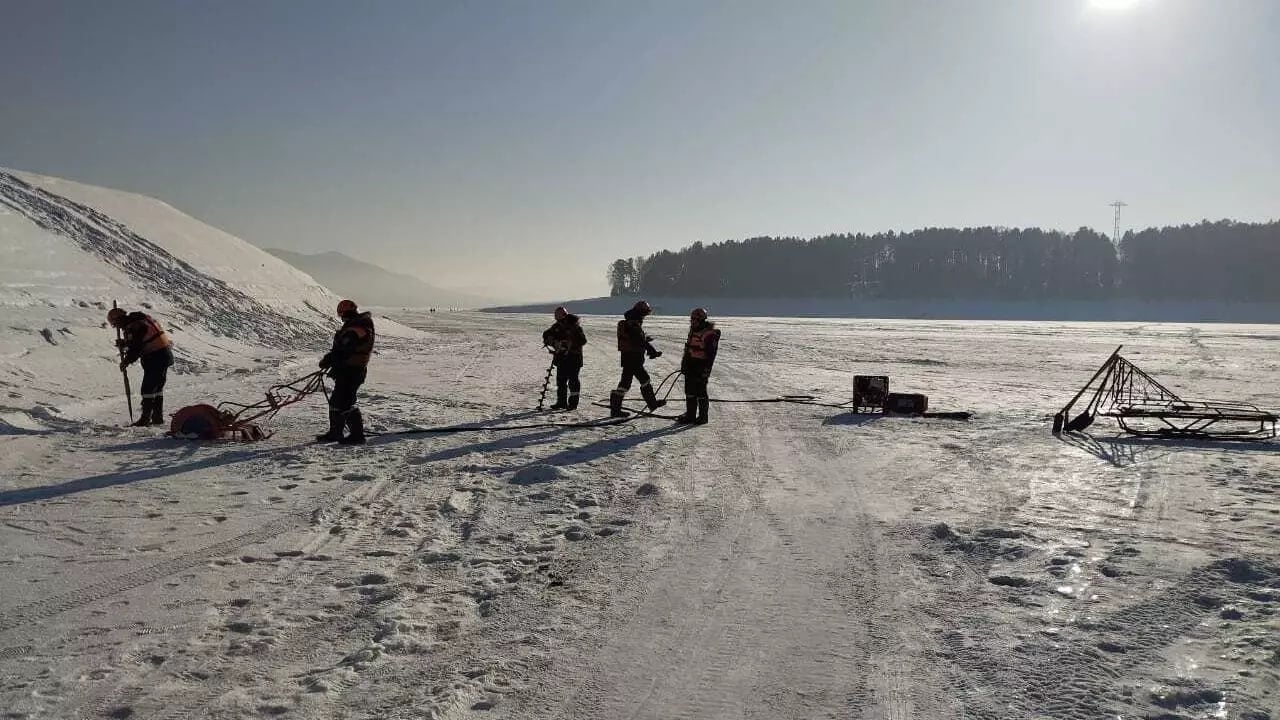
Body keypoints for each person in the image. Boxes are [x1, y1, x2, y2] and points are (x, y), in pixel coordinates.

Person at [316, 299, 374, 445]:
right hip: (349, 370)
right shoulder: (359, 326)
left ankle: (356, 435)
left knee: (344, 402)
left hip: (352, 371)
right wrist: (333, 362)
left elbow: (344, 350)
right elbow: (343, 351)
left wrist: (329, 360)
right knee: (338, 400)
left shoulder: (355, 329)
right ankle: (336, 433)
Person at [109, 307, 175, 427]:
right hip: (163, 355)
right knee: (157, 389)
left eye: (116, 324)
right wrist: (125, 343)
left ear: (119, 320)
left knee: (148, 389)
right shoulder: (140, 320)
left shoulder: (134, 326)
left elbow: (136, 347)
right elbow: (139, 341)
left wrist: (126, 362)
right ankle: (157, 418)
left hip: (155, 357)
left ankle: (145, 419)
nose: (117, 327)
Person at [609, 300, 664, 418]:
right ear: (640, 312)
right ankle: (651, 404)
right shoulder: (633, 323)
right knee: (641, 380)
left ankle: (651, 404)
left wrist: (645, 341)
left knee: (629, 382)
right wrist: (651, 350)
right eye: (645, 313)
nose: (645, 316)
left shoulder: (632, 322)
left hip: (630, 357)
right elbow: (638, 340)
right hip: (632, 358)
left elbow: (636, 339)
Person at [677, 307, 721, 425]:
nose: (692, 322)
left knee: (701, 391)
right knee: (689, 391)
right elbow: (688, 349)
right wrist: (684, 364)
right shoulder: (693, 331)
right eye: (691, 319)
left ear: (701, 320)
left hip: (702, 365)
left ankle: (703, 417)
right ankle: (690, 415)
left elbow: (711, 355)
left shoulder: (709, 334)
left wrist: (706, 370)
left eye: (695, 320)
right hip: (691, 364)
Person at [542, 306, 587, 411]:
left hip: (574, 358)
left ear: (563, 315)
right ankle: (561, 402)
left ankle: (573, 404)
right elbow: (546, 333)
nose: (555, 317)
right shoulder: (557, 326)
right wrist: (551, 340)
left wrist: (569, 344)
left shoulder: (574, 326)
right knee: (561, 381)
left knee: (573, 381)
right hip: (562, 358)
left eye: (557, 315)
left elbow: (583, 341)